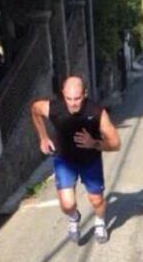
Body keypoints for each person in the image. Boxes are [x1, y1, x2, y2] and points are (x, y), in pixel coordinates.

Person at [31, 76, 121, 243]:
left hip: (90, 161)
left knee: (97, 200)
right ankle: (74, 218)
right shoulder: (54, 108)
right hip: (64, 160)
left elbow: (116, 143)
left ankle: (100, 222)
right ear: (63, 94)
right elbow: (35, 109)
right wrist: (43, 137)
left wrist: (94, 143)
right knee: (67, 204)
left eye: (78, 98)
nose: (73, 103)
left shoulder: (96, 112)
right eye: (69, 98)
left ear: (85, 94)